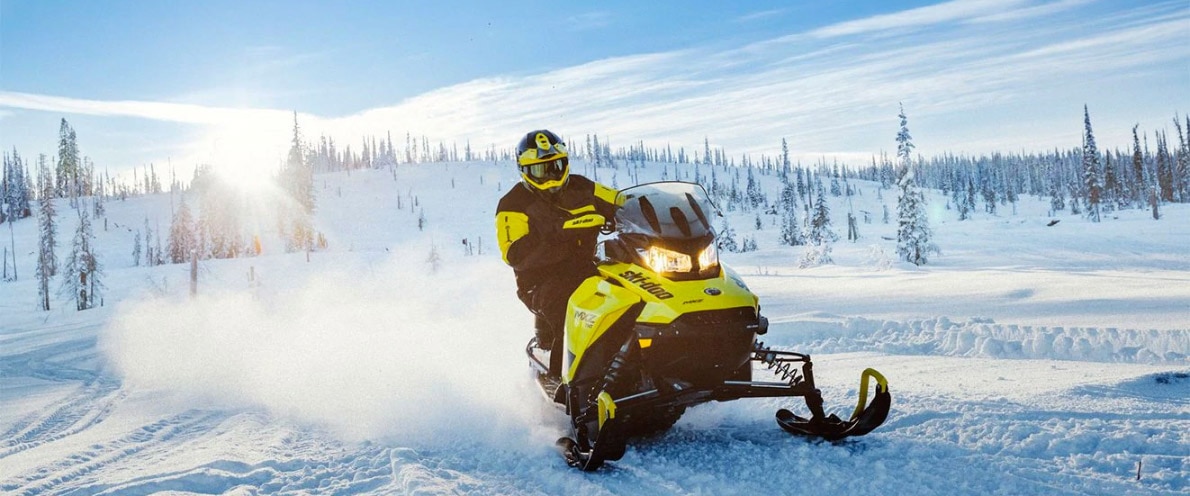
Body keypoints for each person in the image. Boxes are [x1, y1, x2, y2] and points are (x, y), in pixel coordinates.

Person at [496, 130, 618, 376]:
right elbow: (514, 254)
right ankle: (569, 384)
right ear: (527, 171)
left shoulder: (582, 187)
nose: (550, 175)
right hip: (540, 282)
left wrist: (650, 206)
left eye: (556, 166)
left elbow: (621, 201)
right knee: (572, 311)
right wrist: (557, 232)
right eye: (541, 170)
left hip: (588, 269)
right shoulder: (513, 204)